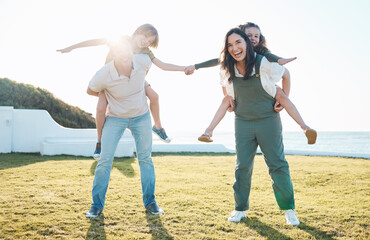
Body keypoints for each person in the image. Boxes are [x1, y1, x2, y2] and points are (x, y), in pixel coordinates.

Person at [58, 24, 187, 160]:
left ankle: (158, 126)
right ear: (138, 32)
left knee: (154, 96)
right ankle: (99, 142)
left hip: (133, 80)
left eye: (149, 41)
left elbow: (163, 65)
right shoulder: (121, 40)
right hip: (111, 80)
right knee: (101, 107)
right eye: (145, 37)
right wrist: (71, 48)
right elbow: (96, 41)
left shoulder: (146, 51)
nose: (146, 42)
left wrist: (184, 68)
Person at [185, 22, 316, 145]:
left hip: (265, 88)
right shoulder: (231, 58)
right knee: (226, 100)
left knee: (281, 95)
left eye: (256, 36)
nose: (253, 38)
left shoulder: (262, 54)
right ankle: (208, 132)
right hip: (243, 97)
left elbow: (275, 62)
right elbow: (221, 72)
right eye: (249, 36)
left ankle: (304, 127)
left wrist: (283, 98)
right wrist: (196, 67)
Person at [220, 28, 300, 225]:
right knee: (242, 167)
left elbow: (286, 73)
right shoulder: (228, 65)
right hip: (243, 122)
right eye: (230, 44)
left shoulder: (263, 61)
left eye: (240, 41)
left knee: (277, 164)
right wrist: (228, 99)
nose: (235, 47)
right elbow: (224, 83)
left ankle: (289, 209)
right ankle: (240, 209)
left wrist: (282, 100)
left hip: (268, 120)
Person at [84, 37, 164, 218]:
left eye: (127, 50)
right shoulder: (104, 73)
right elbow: (90, 90)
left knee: (145, 159)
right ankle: (96, 205)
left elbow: (147, 74)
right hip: (115, 118)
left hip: (141, 116)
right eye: (119, 51)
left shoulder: (142, 61)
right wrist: (105, 92)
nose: (125, 54)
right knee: (104, 161)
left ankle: (150, 202)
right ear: (113, 53)